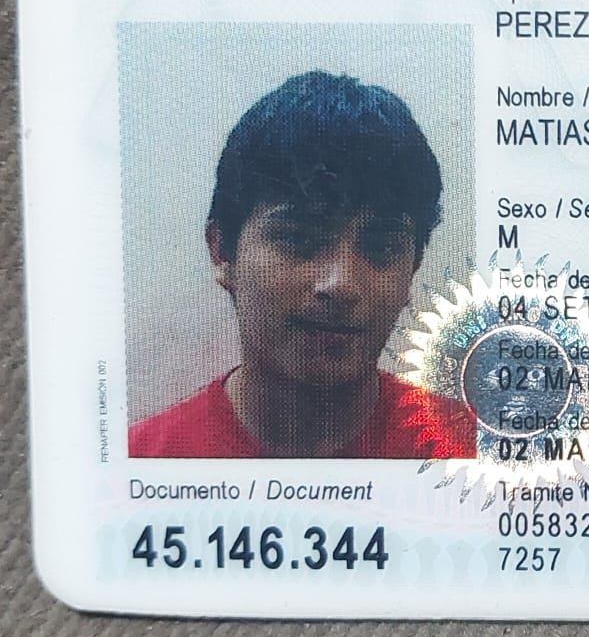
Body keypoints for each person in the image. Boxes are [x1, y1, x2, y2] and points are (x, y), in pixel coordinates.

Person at [129, 71, 477, 459]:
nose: (341, 283)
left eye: (380, 248)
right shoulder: (141, 464)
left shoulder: (474, 464)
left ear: (411, 270)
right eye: (299, 240)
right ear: (223, 251)